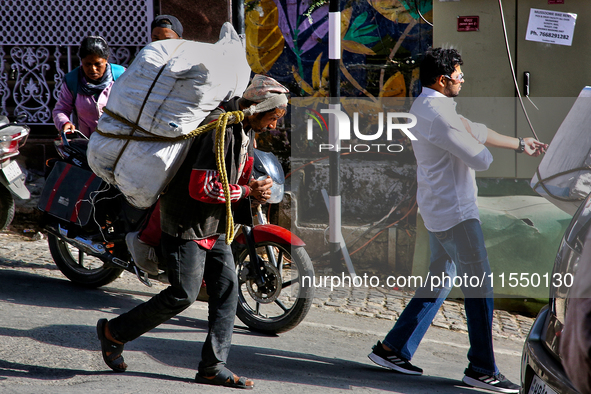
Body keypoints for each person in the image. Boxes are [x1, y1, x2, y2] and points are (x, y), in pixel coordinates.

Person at [367, 48, 547, 393]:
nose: (463, 81)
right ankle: (481, 368)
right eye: (460, 76)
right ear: (443, 79)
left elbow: (474, 129)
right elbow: (480, 159)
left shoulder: (426, 105)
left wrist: (520, 143)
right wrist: (479, 142)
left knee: (439, 281)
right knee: (480, 288)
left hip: (437, 209)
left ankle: (393, 349)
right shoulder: (441, 116)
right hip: (456, 214)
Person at [96, 75, 289, 389]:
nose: (273, 126)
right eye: (273, 118)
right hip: (186, 224)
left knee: (227, 292)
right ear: (256, 110)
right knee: (182, 294)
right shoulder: (222, 130)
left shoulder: (243, 130)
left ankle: (212, 367)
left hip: (215, 227)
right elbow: (202, 186)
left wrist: (255, 188)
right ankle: (113, 332)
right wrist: (245, 193)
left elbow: (236, 172)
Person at [52, 36, 124, 138]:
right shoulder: (72, 81)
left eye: (97, 64)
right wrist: (64, 123)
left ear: (106, 59)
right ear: (81, 61)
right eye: (88, 64)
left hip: (119, 141)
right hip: (88, 143)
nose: (93, 69)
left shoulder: (121, 76)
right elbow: (61, 109)